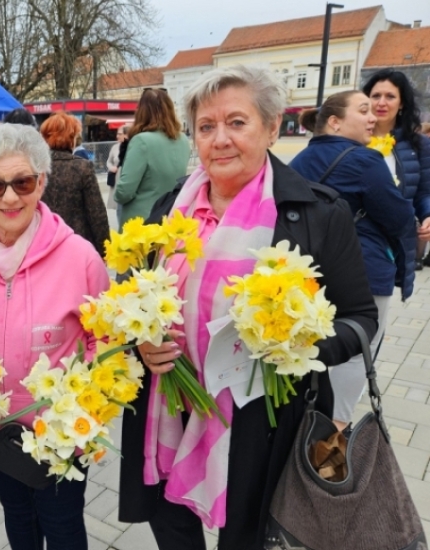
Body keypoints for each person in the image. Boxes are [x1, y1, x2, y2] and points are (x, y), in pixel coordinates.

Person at [117, 65, 378, 550]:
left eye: (237, 123)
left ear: (273, 127)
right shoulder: (170, 210)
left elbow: (361, 319)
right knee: (172, 529)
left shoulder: (317, 214)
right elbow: (130, 297)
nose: (220, 139)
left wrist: (297, 344)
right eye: (206, 126)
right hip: (169, 409)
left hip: (264, 425)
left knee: (248, 536)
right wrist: (140, 343)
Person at [0, 123, 109, 550]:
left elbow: (103, 342)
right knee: (19, 524)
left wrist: (83, 413)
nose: (10, 198)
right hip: (0, 435)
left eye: (23, 182)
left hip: (63, 437)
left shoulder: (79, 257)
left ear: (42, 181)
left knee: (64, 528)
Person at [289, 91, 414, 431]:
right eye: (363, 110)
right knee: (359, 346)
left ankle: (308, 416)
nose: (373, 116)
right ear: (334, 121)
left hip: (309, 270)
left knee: (317, 344)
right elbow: (399, 216)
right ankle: (337, 428)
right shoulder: (365, 160)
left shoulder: (298, 161)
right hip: (364, 269)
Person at [362, 69, 430, 270]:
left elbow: (424, 192)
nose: (381, 102)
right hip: (353, 235)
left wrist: (427, 215)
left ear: (401, 103)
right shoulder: (353, 139)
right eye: (376, 96)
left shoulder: (418, 144)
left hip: (393, 239)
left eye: (390, 96)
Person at [114, 88, 191, 227]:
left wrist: (117, 193)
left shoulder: (141, 141)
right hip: (169, 218)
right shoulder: (183, 140)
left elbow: (124, 191)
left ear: (142, 111)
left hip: (141, 223)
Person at [39, 112, 109, 256]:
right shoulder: (83, 167)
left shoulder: (35, 169)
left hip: (42, 244)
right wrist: (105, 250)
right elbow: (96, 214)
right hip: (78, 244)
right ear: (72, 138)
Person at [105, 125, 128, 211]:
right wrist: (111, 167)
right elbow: (108, 161)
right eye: (117, 134)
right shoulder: (115, 147)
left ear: (126, 135)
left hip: (125, 179)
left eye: (120, 134)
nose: (117, 136)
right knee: (118, 208)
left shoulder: (132, 147)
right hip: (116, 179)